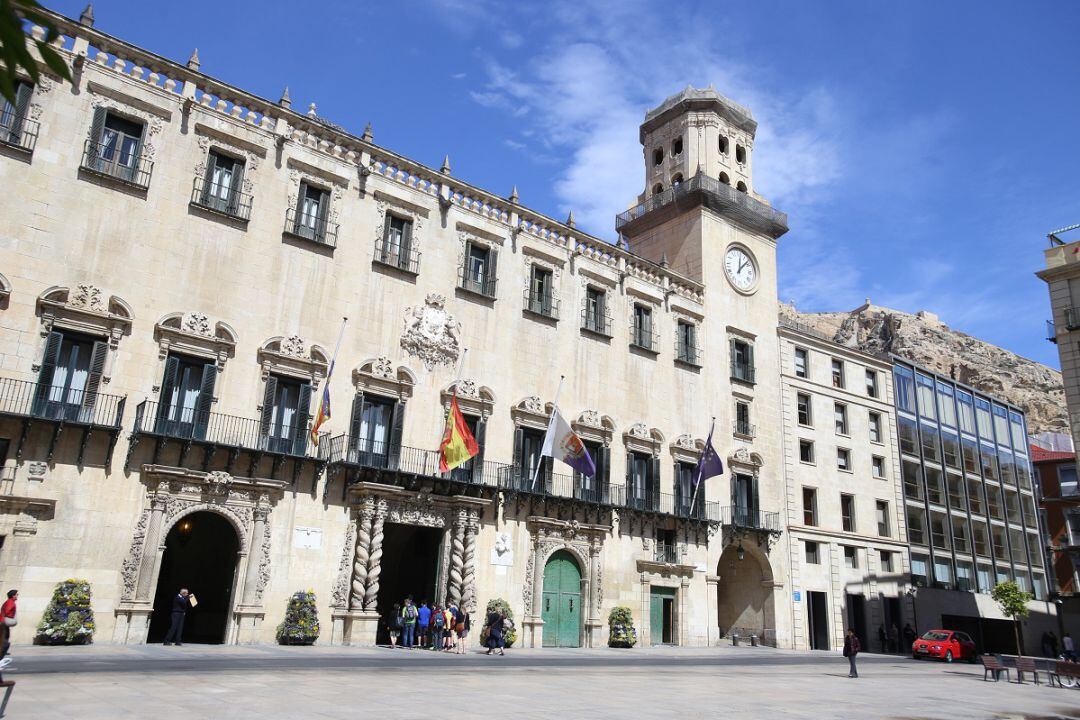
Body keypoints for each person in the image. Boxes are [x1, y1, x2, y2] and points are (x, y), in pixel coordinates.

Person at [0, 589, 17, 669]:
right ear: (13, 595)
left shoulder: (8, 601)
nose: (17, 596)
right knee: (5, 640)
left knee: (5, 637)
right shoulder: (11, 602)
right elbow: (7, 611)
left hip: (3, 622)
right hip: (3, 622)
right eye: (16, 595)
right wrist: (10, 617)